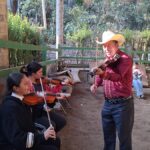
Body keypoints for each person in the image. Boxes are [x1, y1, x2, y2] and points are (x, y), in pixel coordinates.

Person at [90, 30, 134, 150]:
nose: (106, 48)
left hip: (123, 105)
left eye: (109, 45)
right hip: (108, 104)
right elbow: (102, 75)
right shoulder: (107, 60)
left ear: (117, 45)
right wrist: (96, 84)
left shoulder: (125, 59)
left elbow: (118, 76)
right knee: (108, 139)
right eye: (104, 46)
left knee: (124, 139)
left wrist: (103, 74)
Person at [0, 73, 60, 150]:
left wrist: (50, 103)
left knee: (56, 141)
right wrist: (43, 135)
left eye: (29, 83)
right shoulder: (10, 108)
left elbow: (31, 119)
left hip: (27, 137)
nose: (30, 86)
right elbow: (16, 138)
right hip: (15, 145)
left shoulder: (21, 100)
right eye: (26, 84)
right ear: (15, 88)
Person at [20, 61, 67, 133]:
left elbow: (44, 97)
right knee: (51, 125)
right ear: (33, 74)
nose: (42, 74)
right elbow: (33, 101)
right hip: (32, 115)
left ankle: (49, 137)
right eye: (40, 72)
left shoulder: (40, 82)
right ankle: (42, 139)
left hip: (41, 111)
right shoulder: (27, 86)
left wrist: (55, 98)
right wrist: (53, 98)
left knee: (62, 121)